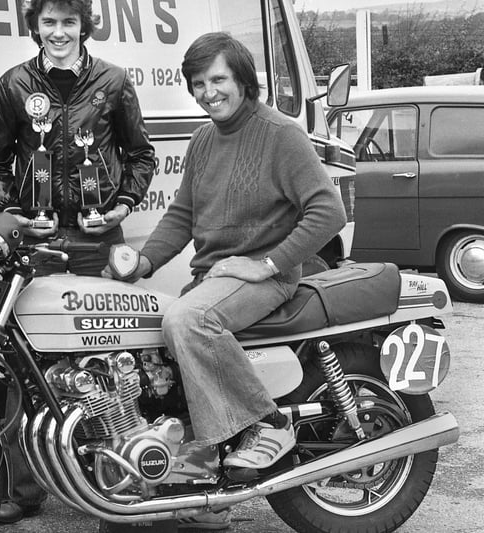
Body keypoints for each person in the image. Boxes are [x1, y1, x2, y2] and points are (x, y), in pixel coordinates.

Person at [104, 32, 346, 530]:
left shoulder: (280, 133)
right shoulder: (203, 138)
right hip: (213, 275)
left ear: (242, 79)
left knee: (187, 319)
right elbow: (183, 214)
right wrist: (142, 264)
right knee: (152, 352)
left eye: (217, 80)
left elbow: (328, 211)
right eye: (197, 83)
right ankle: (190, 492)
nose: (207, 92)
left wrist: (268, 264)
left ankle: (269, 424)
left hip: (261, 277)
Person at [0, 0, 155, 523]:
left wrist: (122, 205)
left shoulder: (114, 82)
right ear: (36, 27)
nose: (59, 32)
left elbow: (141, 155)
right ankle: (23, 488)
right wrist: (14, 214)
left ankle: (120, 479)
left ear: (84, 27)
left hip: (100, 241)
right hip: (37, 245)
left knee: (116, 359)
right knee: (26, 367)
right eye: (49, 23)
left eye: (69, 23)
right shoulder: (13, 84)